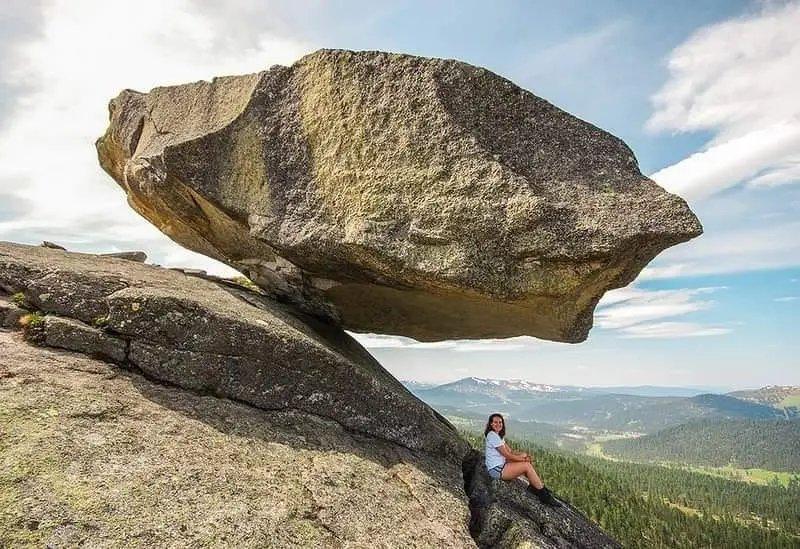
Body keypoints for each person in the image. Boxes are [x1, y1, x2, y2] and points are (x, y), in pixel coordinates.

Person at [484, 413, 561, 507]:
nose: (498, 424)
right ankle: (544, 495)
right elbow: (507, 455)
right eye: (495, 422)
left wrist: (524, 456)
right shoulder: (492, 436)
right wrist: (524, 460)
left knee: (524, 456)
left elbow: (510, 451)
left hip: (501, 464)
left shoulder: (498, 436)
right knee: (526, 466)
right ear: (491, 424)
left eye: (500, 422)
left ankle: (534, 486)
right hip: (497, 470)